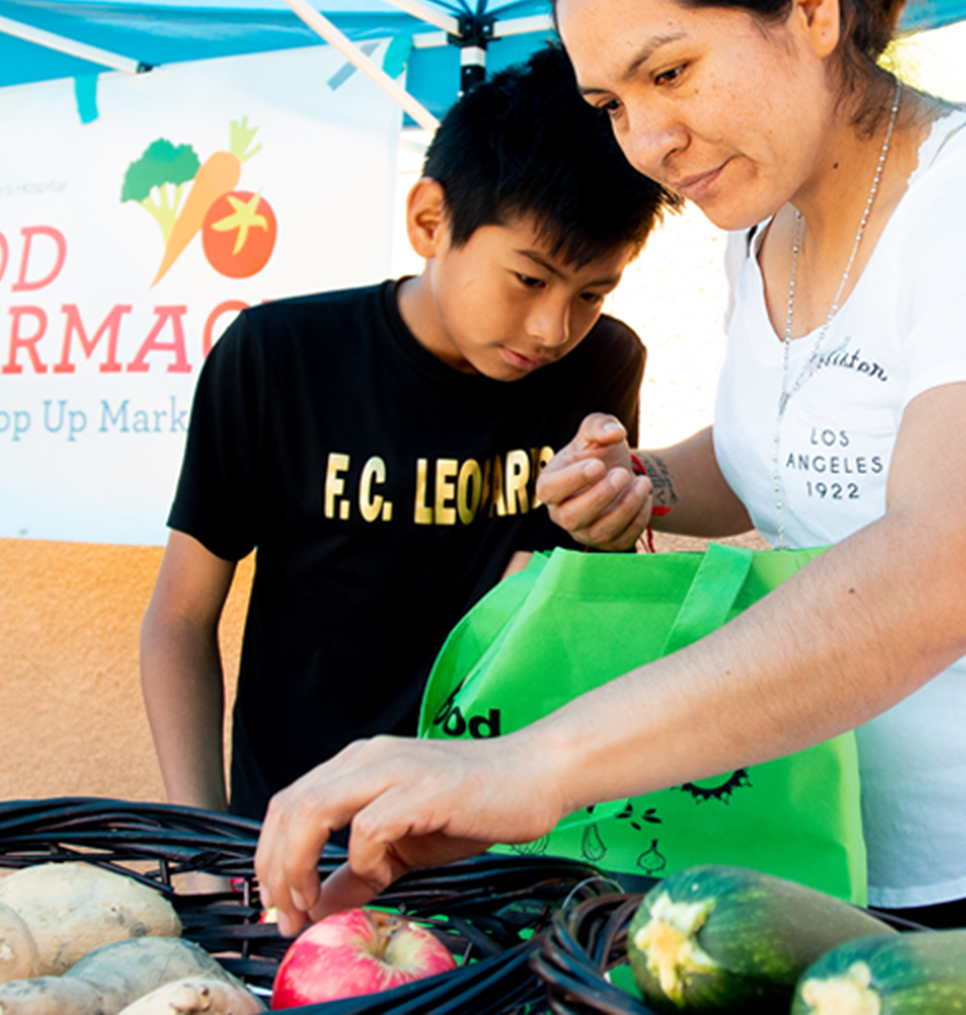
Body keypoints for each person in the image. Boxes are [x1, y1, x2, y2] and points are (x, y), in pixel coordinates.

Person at [253, 0, 966, 954]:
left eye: (671, 73)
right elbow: (785, 460)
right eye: (611, 102)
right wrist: (646, 481)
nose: (648, 142)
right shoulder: (757, 228)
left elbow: (950, 566)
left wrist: (532, 761)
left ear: (810, 2)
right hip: (828, 857)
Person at [137, 46, 678, 818]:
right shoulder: (276, 358)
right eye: (528, 279)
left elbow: (536, 616)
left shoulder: (601, 362)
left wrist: (609, 528)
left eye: (592, 292)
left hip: (486, 827)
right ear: (430, 220)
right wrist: (201, 843)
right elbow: (181, 617)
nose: (554, 327)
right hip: (293, 819)